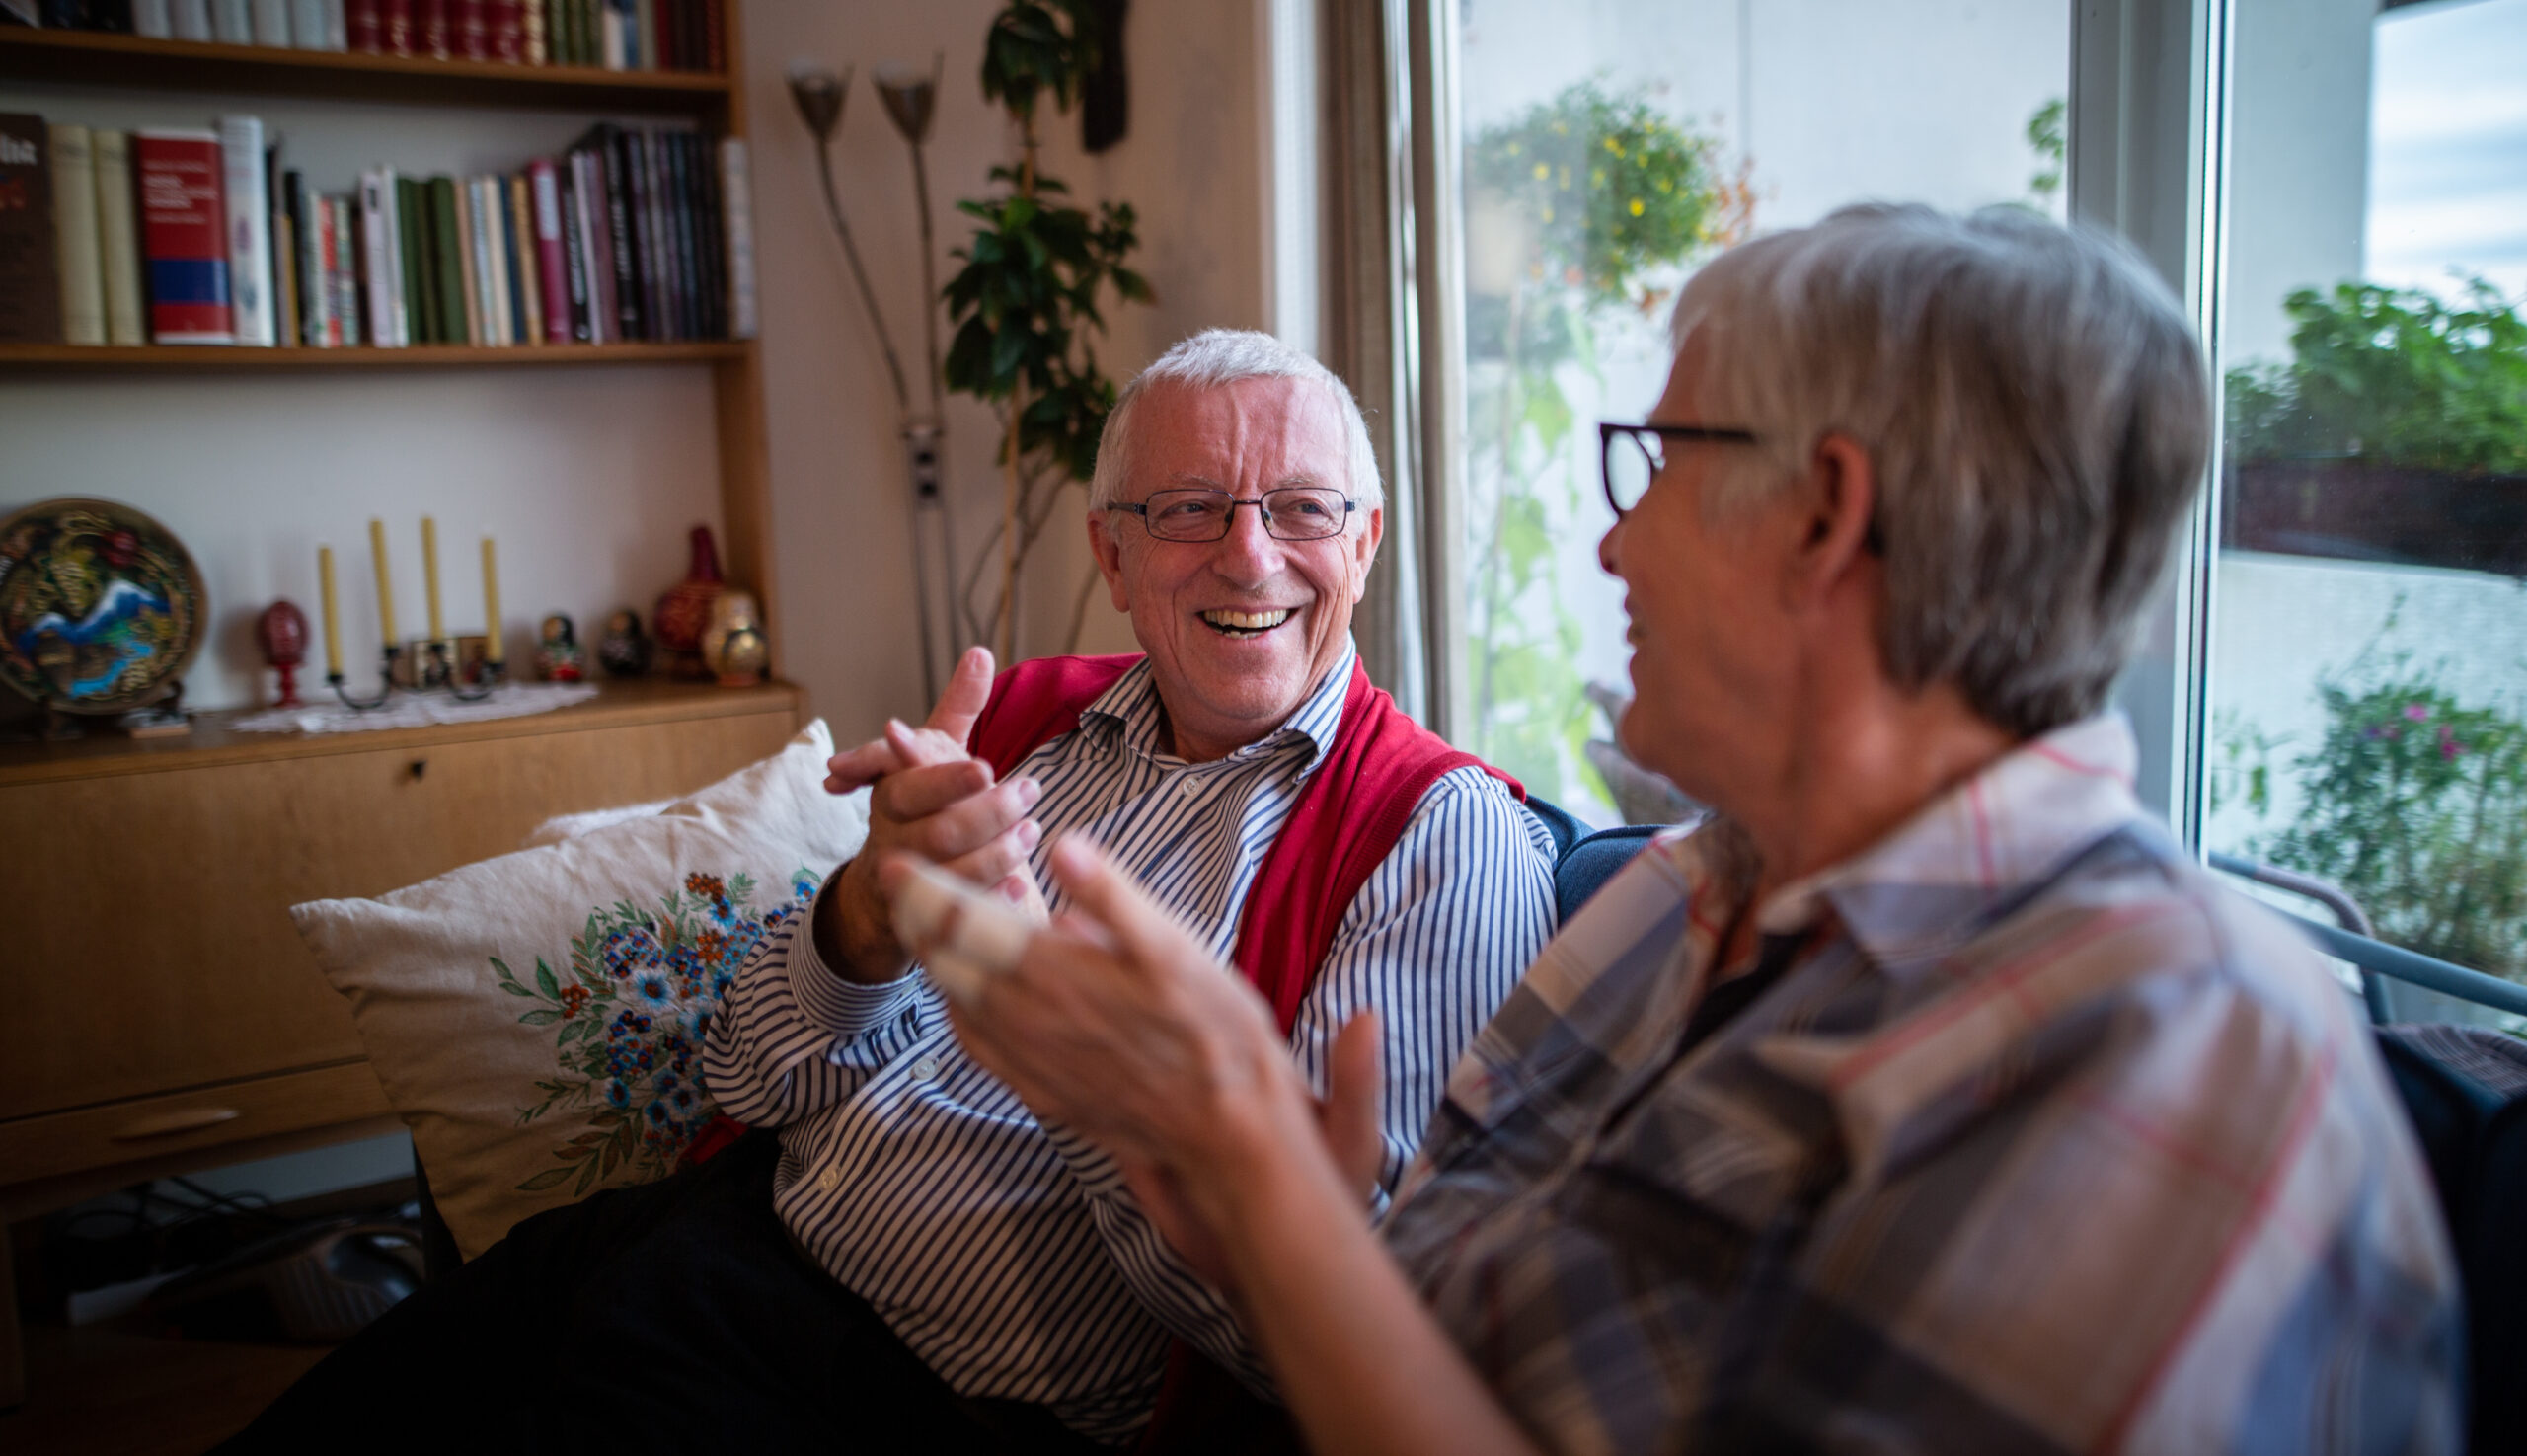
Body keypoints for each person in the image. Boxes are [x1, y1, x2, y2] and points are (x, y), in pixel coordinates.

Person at [923, 206, 2465, 1455]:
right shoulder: (1674, 902)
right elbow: (1401, 1323)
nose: (1611, 536)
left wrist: (1253, 1170)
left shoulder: (2174, 1055)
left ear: (1824, 518)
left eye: (1657, 465)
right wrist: (1224, 1181)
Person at [222, 330, 1555, 1454]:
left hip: (898, 1399)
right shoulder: (1024, 722)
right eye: (1189, 508)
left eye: (1302, 508)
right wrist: (862, 911)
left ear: (1364, 542)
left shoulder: (1446, 843)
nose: (1249, 555)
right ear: (1114, 555)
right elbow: (745, 1079)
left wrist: (1073, 1047)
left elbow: (1315, 1337)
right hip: (696, 1236)